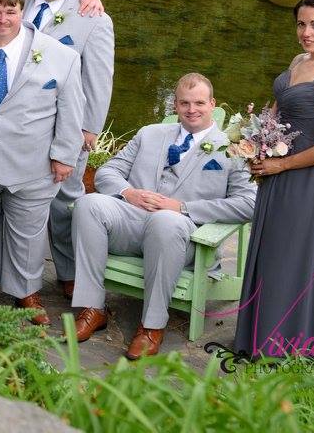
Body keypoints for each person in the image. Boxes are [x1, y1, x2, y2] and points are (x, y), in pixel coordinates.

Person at [71, 74, 255, 360]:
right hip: (133, 224)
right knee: (88, 204)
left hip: (186, 237)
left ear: (212, 104)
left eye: (199, 103)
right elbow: (107, 172)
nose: (191, 109)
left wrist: (182, 208)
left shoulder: (231, 148)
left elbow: (249, 203)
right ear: (175, 105)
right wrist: (129, 193)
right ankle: (93, 308)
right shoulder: (150, 134)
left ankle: (151, 326)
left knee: (165, 220)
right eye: (184, 103)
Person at [233, 0, 314, 359]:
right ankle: (257, 338)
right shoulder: (298, 61)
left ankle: (284, 347)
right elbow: (278, 108)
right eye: (301, 24)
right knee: (268, 253)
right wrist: (255, 145)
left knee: (289, 257)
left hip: (303, 181)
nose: (306, 32)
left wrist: (281, 164)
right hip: (274, 173)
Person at [0, 0, 85, 324]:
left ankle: (26, 293)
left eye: (10, 11)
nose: (2, 18)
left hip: (33, 163)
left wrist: (64, 155)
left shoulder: (60, 55)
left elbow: (71, 110)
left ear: (23, 11)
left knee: (29, 232)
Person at [23, 0, 115, 300]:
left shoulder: (93, 17)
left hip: (66, 125)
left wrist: (88, 129)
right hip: (21, 125)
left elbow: (99, 77)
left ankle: (70, 272)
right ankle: (20, 275)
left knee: (65, 202)